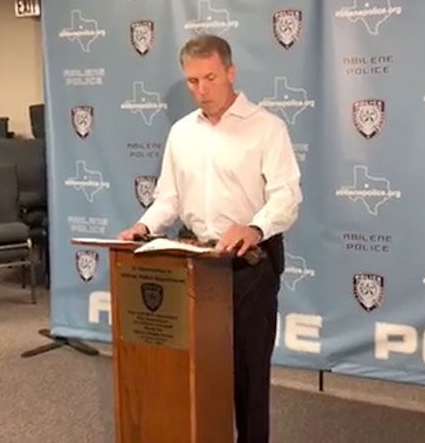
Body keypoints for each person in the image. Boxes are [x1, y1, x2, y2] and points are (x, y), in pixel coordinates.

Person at [118, 34, 302, 443]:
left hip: (249, 263)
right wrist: (144, 227)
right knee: (196, 370)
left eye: (210, 78)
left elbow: (287, 198)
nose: (202, 89)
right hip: (195, 264)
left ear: (231, 73)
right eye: (192, 81)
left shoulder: (267, 128)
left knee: (249, 375)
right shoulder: (181, 132)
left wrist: (254, 228)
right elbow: (169, 197)